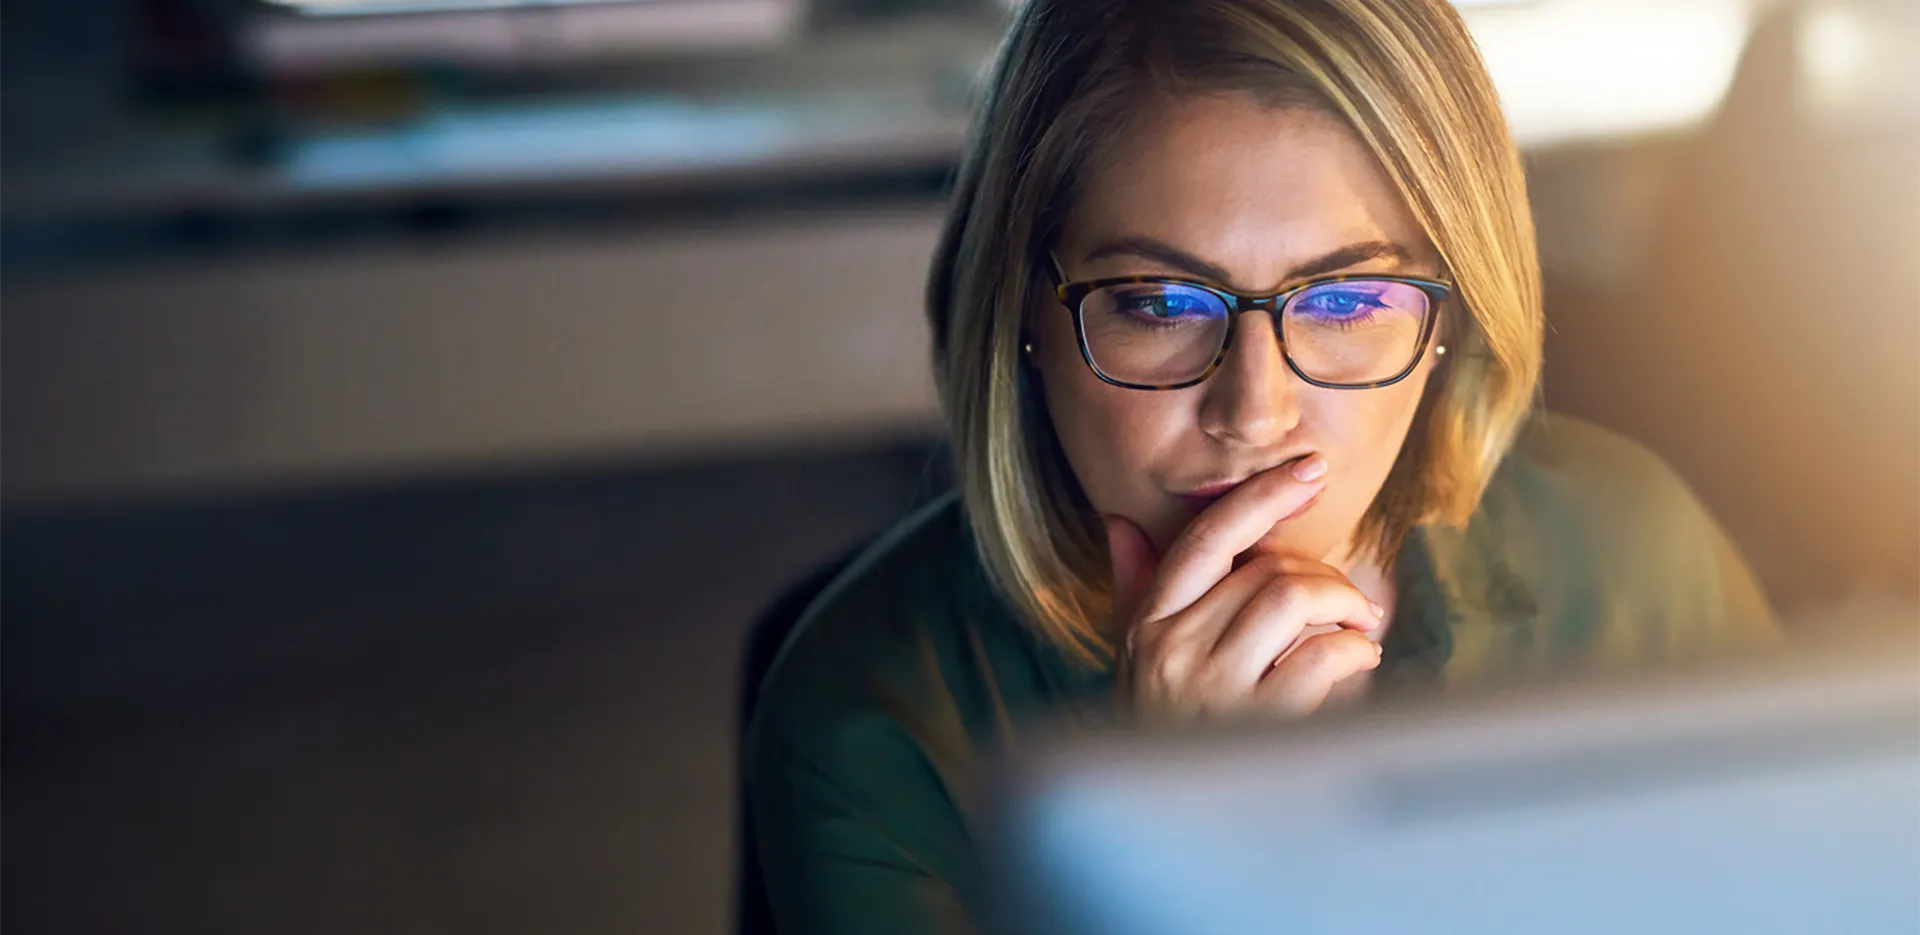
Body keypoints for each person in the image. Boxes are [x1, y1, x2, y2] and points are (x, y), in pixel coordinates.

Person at [743, 1, 1780, 931]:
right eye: (1159, 304)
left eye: (1347, 301)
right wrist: (1182, 838)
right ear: (1023, 310)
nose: (1254, 412)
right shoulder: (869, 727)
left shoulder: (1634, 557)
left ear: (1452, 317)